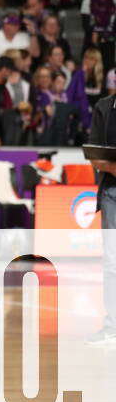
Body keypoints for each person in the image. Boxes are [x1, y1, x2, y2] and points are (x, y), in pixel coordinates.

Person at [87, 92, 116, 344]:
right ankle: (112, 325)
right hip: (112, 191)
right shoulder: (104, 107)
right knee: (111, 260)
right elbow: (94, 153)